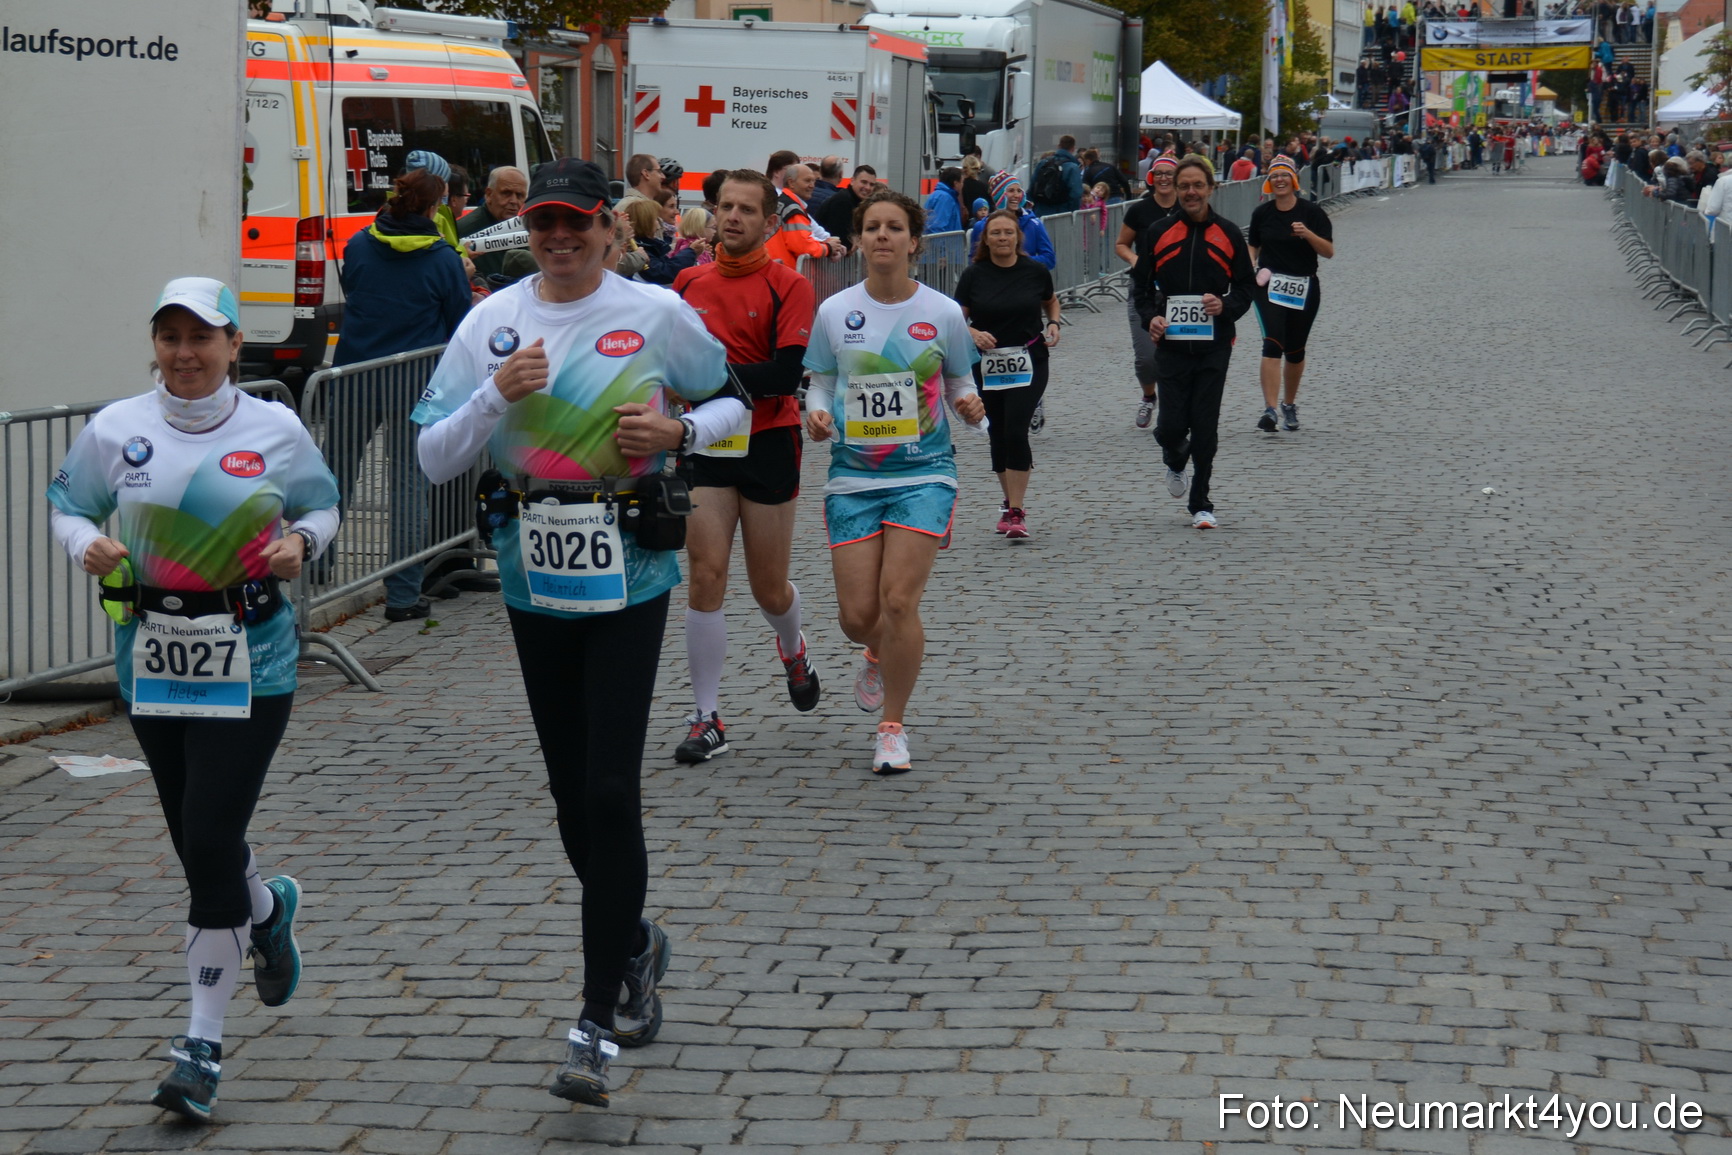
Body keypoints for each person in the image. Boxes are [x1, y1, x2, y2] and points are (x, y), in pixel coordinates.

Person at [413, 157, 743, 1108]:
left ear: (608, 227)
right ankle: (636, 942)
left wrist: (680, 437)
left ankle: (594, 1019)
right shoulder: (490, 323)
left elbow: (736, 408)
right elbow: (433, 458)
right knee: (569, 795)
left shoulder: (654, 312)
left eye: (576, 223)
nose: (558, 238)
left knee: (610, 787)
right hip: (533, 576)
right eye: (544, 223)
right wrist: (494, 396)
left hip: (630, 571)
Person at [48, 277, 340, 1121]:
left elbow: (322, 507)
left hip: (253, 656)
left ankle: (201, 1046)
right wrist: (85, 544)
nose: (185, 354)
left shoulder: (274, 428)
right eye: (170, 338)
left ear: (229, 346)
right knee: (198, 842)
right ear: (155, 345)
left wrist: (297, 542)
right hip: (153, 658)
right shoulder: (117, 427)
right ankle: (268, 906)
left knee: (211, 834)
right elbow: (66, 503)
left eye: (201, 339)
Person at [802, 190, 986, 775]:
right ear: (857, 240)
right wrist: (817, 412)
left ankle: (892, 728)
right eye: (872, 227)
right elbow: (821, 382)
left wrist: (970, 404)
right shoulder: (835, 312)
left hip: (925, 472)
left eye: (894, 228)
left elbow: (958, 380)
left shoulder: (944, 312)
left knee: (898, 600)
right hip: (854, 475)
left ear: (914, 241)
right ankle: (875, 650)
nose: (882, 236)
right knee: (858, 616)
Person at [669, 169, 821, 763]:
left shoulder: (790, 285)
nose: (731, 217)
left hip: (768, 441)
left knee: (767, 586)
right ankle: (707, 717)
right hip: (705, 444)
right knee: (706, 577)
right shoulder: (685, 282)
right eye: (724, 207)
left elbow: (784, 375)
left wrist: (706, 382)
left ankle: (793, 645)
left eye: (746, 210)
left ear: (769, 222)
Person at [327, 157, 471, 621]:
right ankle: (404, 595)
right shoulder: (444, 260)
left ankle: (314, 570)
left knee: (334, 475)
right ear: (436, 208)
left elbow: (361, 295)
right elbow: (458, 325)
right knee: (410, 484)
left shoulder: (358, 245)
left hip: (354, 376)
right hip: (415, 383)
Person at [1130, 157, 1255, 530]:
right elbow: (1140, 287)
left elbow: (1246, 288)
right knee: (1170, 427)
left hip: (1214, 346)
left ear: (1211, 188)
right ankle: (1174, 455)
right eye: (1184, 185)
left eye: (1197, 185)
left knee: (1205, 424)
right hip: (1170, 346)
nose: (1190, 192)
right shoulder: (1157, 232)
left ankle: (1201, 501)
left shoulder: (1230, 233)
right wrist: (1152, 316)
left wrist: (1225, 305)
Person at [953, 208, 1060, 541]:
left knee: (1016, 428)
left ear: (1018, 237)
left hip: (1029, 359)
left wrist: (1054, 323)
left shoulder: (1035, 271)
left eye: (1008, 233)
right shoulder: (974, 275)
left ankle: (1016, 511)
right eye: (995, 233)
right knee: (997, 431)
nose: (1002, 238)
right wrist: (972, 334)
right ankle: (1008, 499)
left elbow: (1050, 301)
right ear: (985, 238)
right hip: (986, 363)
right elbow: (956, 316)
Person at [1247, 156, 1334, 435]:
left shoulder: (1312, 213)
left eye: (1284, 176)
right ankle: (1269, 409)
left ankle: (1289, 404)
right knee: (1272, 343)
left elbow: (1328, 251)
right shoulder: (1262, 213)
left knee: (1295, 351)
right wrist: (1249, 266)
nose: (1280, 180)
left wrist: (1307, 234)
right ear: (1269, 182)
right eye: (1274, 177)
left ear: (1294, 180)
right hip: (1269, 286)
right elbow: (1253, 246)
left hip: (1304, 287)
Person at [1115, 154, 1179, 431]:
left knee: (1176, 352)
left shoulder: (1187, 207)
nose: (1164, 178)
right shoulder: (1140, 210)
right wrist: (1135, 260)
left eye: (1169, 173)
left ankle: (1175, 407)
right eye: (1159, 173)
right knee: (1146, 358)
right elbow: (1121, 244)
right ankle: (1149, 395)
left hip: (1178, 291)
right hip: (1144, 290)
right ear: (1151, 178)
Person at [967, 172, 1056, 268]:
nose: (1016, 195)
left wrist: (1018, 262)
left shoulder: (1034, 224)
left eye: (1019, 191)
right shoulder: (982, 226)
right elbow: (974, 261)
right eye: (1011, 191)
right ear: (999, 195)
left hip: (1025, 280)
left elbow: (1049, 259)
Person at [456, 166, 529, 279]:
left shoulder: (530, 228)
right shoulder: (464, 230)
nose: (514, 201)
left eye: (520, 195)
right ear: (489, 195)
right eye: (506, 193)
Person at [768, 163, 843, 266]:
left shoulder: (784, 204)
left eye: (813, 181)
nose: (812, 186)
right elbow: (803, 246)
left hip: (778, 271)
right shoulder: (792, 210)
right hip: (785, 274)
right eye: (807, 181)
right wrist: (829, 248)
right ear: (791, 183)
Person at [624, 197, 699, 285]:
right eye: (656, 219)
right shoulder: (639, 249)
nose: (658, 223)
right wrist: (690, 252)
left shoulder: (650, 245)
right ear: (646, 222)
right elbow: (664, 272)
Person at [814, 164, 879, 249]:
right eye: (864, 182)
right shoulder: (843, 201)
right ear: (852, 181)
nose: (867, 187)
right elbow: (840, 237)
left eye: (871, 184)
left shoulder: (856, 201)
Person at [1029, 135, 1084, 215]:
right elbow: (1075, 194)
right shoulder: (1072, 167)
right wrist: (1072, 214)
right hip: (1062, 214)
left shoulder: (1043, 163)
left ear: (1058, 146)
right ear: (1073, 149)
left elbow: (1032, 187)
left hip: (1040, 212)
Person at [923, 166, 966, 234]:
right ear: (956, 183)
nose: (963, 185)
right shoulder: (946, 198)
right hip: (946, 243)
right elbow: (937, 227)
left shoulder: (938, 194)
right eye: (962, 182)